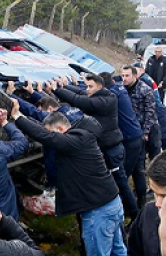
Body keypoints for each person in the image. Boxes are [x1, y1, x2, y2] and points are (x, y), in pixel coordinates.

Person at [12, 101, 126, 256]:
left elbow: (44, 136)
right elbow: (44, 130)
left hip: (97, 211)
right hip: (110, 203)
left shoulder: (75, 141)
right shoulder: (82, 137)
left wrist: (17, 116)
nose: (51, 141)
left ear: (60, 129)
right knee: (117, 250)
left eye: (52, 134)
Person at [53, 74, 137, 221]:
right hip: (107, 149)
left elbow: (79, 100)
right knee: (114, 183)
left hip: (112, 150)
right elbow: (80, 92)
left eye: (90, 86)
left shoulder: (106, 100)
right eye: (87, 86)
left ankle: (134, 214)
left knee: (121, 183)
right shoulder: (100, 95)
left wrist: (56, 89)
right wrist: (64, 86)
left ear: (99, 86)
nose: (87, 89)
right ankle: (123, 212)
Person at [101, 72, 145, 222]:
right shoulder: (119, 89)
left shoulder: (112, 95)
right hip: (135, 137)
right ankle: (137, 207)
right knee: (135, 172)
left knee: (122, 179)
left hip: (131, 140)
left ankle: (133, 214)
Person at [122, 65, 158, 206]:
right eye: (123, 76)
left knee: (140, 166)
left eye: (127, 76)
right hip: (129, 134)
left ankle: (142, 198)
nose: (124, 79)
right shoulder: (122, 90)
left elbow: (150, 113)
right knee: (135, 166)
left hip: (143, 133)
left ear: (135, 76)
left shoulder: (145, 90)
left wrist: (145, 133)